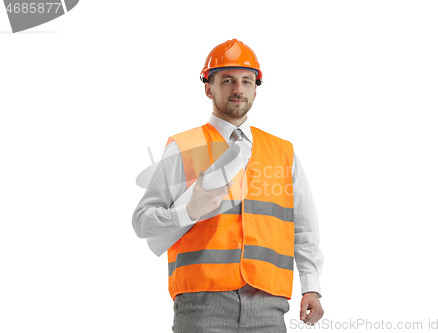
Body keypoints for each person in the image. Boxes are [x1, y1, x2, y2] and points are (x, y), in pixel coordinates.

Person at [132, 39, 324, 333]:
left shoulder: (282, 151)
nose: (238, 89)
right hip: (201, 304)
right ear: (208, 87)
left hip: (268, 304)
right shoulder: (185, 147)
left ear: (256, 88)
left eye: (247, 81)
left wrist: (311, 285)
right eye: (228, 80)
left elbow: (304, 226)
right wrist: (187, 212)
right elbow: (142, 222)